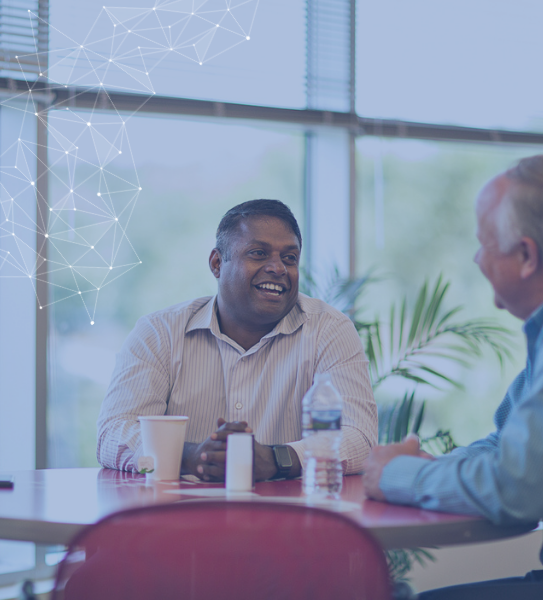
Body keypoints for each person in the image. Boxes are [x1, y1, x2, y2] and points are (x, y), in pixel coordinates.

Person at [363, 154, 543, 599]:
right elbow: (508, 444)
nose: (476, 258)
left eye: (484, 243)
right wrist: (428, 469)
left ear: (527, 255)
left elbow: (519, 486)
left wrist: (398, 475)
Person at [97, 199, 377, 482]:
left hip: (290, 518)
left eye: (290, 258)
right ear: (217, 263)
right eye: (259, 253)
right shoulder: (159, 333)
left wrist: (277, 459)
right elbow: (113, 433)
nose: (278, 268)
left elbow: (359, 438)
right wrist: (191, 457)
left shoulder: (329, 329)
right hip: (179, 517)